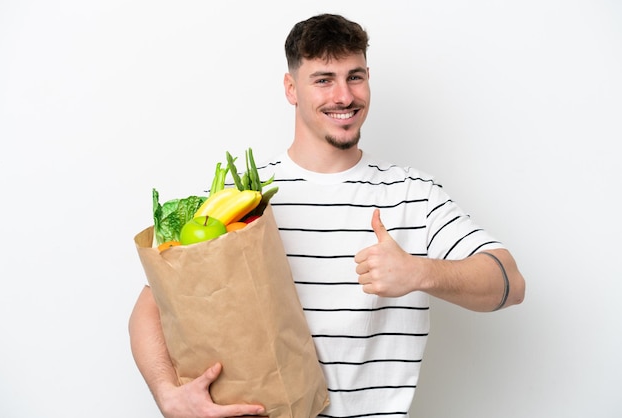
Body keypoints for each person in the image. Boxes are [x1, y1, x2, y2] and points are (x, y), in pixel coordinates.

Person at [129, 13, 525, 418]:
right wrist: (167, 393)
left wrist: (419, 273)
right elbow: (153, 303)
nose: (343, 96)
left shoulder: (412, 194)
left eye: (355, 77)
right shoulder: (242, 199)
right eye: (323, 79)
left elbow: (510, 282)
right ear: (291, 88)